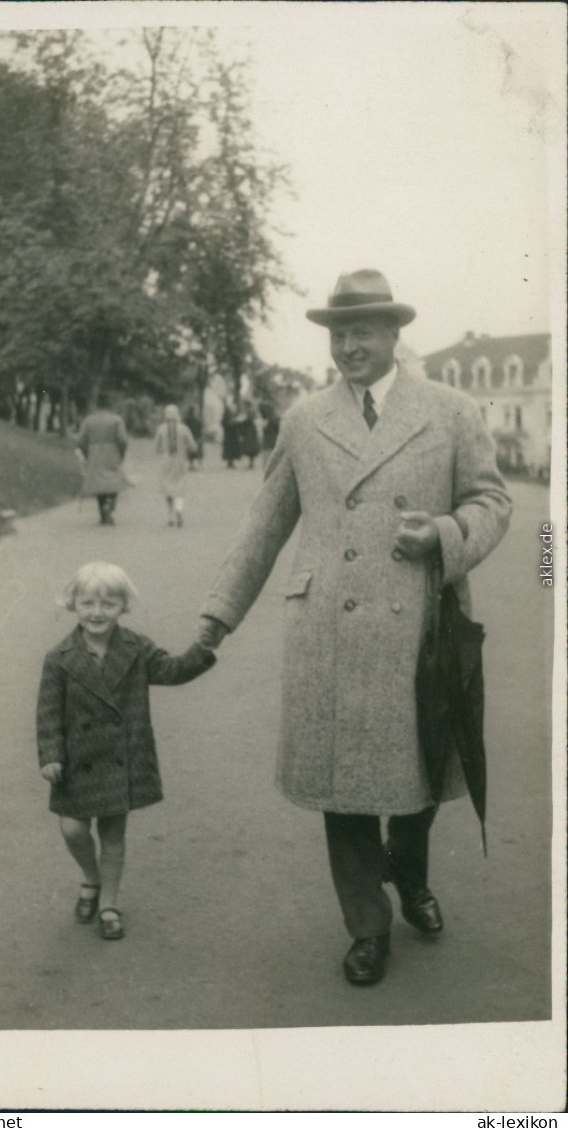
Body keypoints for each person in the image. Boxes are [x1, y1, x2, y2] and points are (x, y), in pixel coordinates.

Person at [197, 269, 511, 986]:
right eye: (338, 332)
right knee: (344, 789)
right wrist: (215, 617)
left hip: (421, 628)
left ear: (393, 334)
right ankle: (367, 925)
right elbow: (263, 525)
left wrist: (442, 531)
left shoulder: (452, 410)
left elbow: (495, 502)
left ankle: (410, 866)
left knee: (418, 776)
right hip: (328, 633)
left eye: (362, 330)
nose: (347, 344)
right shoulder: (304, 419)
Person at [37, 561, 216, 940]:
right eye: (87, 603)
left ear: (123, 607)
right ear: (73, 605)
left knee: (114, 836)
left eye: (108, 604)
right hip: (77, 764)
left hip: (121, 759)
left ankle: (109, 905)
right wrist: (51, 754)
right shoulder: (58, 658)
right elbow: (48, 713)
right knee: (73, 829)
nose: (97, 613)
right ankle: (91, 877)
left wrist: (204, 648)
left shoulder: (137, 649)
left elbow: (172, 670)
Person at [75, 392, 129, 526]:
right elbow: (123, 440)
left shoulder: (89, 420)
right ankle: (110, 503)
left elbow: (80, 440)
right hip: (112, 451)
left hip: (94, 451)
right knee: (113, 479)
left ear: (97, 405)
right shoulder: (116, 420)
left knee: (98, 481)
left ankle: (103, 514)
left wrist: (86, 452)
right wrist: (121, 452)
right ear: (110, 405)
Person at [154, 405, 198, 527]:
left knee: (167, 487)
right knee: (179, 487)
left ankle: (170, 515)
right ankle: (179, 510)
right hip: (180, 461)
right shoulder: (184, 428)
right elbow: (193, 446)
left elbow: (156, 448)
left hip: (166, 462)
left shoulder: (161, 429)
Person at [237, 403, 261, 469]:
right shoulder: (251, 412)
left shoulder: (250, 412)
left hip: (250, 432)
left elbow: (248, 421)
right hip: (251, 431)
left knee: (250, 447)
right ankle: (251, 462)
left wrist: (241, 421)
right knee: (250, 447)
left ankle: (251, 462)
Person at [259, 402, 281, 471]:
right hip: (273, 441)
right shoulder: (274, 419)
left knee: (267, 458)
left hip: (266, 442)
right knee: (271, 458)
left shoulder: (265, 420)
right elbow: (278, 429)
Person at [221, 402, 241, 469]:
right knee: (229, 449)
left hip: (233, 435)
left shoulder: (233, 414)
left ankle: (231, 461)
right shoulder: (227, 414)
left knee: (232, 449)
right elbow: (224, 423)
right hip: (229, 435)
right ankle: (229, 461)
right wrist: (231, 422)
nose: (234, 409)